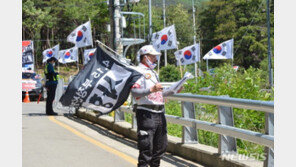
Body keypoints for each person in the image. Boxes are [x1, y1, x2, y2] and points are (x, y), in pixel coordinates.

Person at [131, 45, 182, 167]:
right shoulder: (138, 71)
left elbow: (159, 93)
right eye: (153, 56)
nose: (155, 59)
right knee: (146, 149)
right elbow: (134, 92)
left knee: (160, 148)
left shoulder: (153, 73)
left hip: (160, 113)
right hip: (146, 113)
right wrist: (151, 89)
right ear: (145, 57)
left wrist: (174, 90)